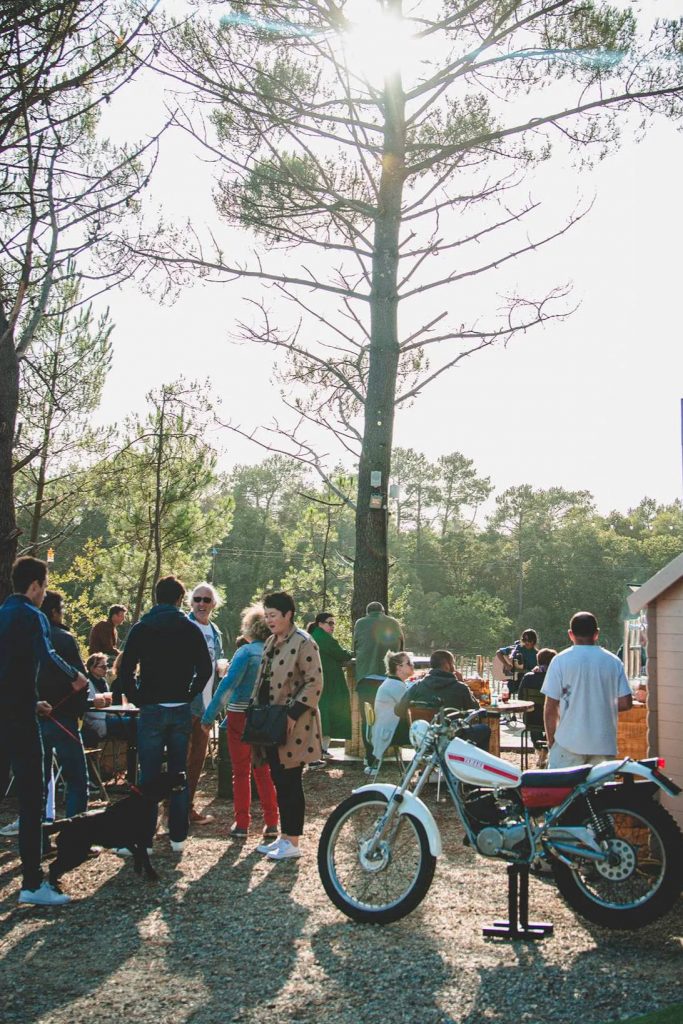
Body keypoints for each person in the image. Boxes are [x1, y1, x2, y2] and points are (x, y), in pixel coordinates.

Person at [0, 556, 87, 906]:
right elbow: (46, 653)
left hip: (10, 710)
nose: (44, 595)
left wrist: (32, 699)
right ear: (35, 586)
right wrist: (75, 676)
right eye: (44, 588)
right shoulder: (32, 615)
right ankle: (33, 884)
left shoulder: (2, 613)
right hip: (20, 720)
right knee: (33, 798)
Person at [117, 575, 212, 855]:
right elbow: (205, 669)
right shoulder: (189, 628)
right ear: (180, 599)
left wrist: (136, 696)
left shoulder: (142, 627)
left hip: (152, 709)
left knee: (148, 774)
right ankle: (178, 837)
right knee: (178, 773)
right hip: (179, 708)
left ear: (156, 598)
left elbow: (124, 668)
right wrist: (189, 692)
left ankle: (144, 839)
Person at [252, 592, 324, 862]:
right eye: (266, 615)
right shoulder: (271, 641)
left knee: (290, 781)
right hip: (270, 722)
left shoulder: (304, 642)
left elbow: (315, 681)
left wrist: (293, 714)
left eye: (273, 615)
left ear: (288, 615)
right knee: (279, 780)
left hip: (294, 725)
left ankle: (292, 841)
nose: (269, 620)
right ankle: (284, 838)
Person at [201, 603, 279, 840]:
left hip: (239, 714)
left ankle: (243, 823)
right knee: (264, 771)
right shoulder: (277, 651)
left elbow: (227, 686)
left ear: (250, 627)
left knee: (240, 771)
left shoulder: (245, 653)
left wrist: (208, 716)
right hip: (264, 715)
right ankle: (272, 821)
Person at [541, 611, 632, 769]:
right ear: (596, 634)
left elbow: (550, 706)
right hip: (603, 744)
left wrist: (551, 742)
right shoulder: (613, 662)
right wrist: (600, 702)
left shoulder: (560, 661)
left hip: (568, 742)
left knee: (563, 792)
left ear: (571, 634)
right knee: (600, 793)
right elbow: (626, 702)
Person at [37, 591, 89, 820]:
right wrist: (79, 712)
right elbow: (81, 680)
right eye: (62, 610)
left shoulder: (23, 637)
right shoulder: (64, 638)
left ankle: (39, 837)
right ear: (54, 612)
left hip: (33, 716)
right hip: (63, 717)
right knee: (76, 779)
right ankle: (75, 836)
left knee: (37, 783)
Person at [186, 582, 225, 826]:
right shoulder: (184, 626)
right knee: (181, 757)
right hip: (186, 702)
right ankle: (172, 810)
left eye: (206, 600)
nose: (201, 604)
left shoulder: (216, 631)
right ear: (190, 603)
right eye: (197, 599)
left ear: (214, 605)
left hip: (207, 704)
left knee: (197, 759)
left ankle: (187, 806)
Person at [396, 649, 491, 751]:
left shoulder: (417, 686)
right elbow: (476, 711)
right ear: (447, 665)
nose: (454, 667)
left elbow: (398, 710)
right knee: (485, 729)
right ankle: (472, 764)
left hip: (425, 738)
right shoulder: (459, 687)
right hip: (453, 737)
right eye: (453, 664)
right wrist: (461, 682)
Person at [353, 601, 404, 769]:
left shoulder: (360, 623)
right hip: (388, 680)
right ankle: (393, 754)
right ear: (383, 611)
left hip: (366, 679)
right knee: (390, 717)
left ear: (368, 613)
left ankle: (371, 759)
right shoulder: (393, 623)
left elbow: (356, 647)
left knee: (368, 718)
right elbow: (401, 649)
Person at [307, 612, 353, 757]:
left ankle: (321, 750)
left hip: (322, 682)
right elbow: (341, 654)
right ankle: (321, 750)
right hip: (329, 683)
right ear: (320, 624)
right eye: (330, 623)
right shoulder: (323, 639)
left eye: (334, 623)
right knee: (327, 715)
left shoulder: (315, 636)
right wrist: (353, 653)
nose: (333, 626)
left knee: (323, 715)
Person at [81, 652, 134, 748]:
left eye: (106, 666)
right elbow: (89, 710)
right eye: (103, 667)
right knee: (133, 724)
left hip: (108, 717)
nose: (106, 670)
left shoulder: (103, 682)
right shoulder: (87, 684)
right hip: (96, 722)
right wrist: (109, 713)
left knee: (133, 722)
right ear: (92, 668)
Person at [370, 651, 414, 767]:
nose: (412, 665)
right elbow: (413, 705)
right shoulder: (395, 685)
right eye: (408, 663)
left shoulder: (393, 682)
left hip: (386, 729)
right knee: (428, 734)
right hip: (392, 732)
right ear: (399, 668)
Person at [518, 647, 557, 746]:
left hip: (530, 719)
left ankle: (538, 747)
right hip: (553, 719)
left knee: (533, 713)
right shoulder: (556, 678)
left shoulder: (528, 677)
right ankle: (546, 747)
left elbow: (520, 698)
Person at [496, 629, 538, 697]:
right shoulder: (517, 648)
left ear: (534, 641)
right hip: (514, 680)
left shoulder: (537, 654)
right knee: (506, 691)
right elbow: (499, 652)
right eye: (524, 640)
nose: (526, 642)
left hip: (527, 682)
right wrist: (506, 664)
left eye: (529, 640)